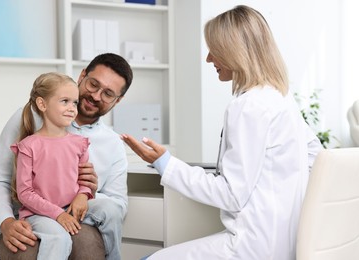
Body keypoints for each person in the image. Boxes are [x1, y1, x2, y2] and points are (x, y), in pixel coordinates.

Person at [121, 5, 322, 260]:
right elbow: (316, 157)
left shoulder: (248, 106)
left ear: (234, 51)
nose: (208, 59)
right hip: (286, 245)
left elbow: (231, 194)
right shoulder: (280, 97)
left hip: (249, 247)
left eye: (213, 50)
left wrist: (164, 162)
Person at [0, 53, 133, 260]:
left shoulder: (112, 143)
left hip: (81, 218)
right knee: (26, 249)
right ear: (82, 76)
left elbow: (117, 206)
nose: (96, 96)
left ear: (118, 100)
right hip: (30, 216)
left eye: (108, 93)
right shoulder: (28, 119)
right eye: (93, 84)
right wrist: (6, 221)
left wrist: (89, 191)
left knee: (87, 245)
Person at [10, 72, 95, 260]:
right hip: (37, 214)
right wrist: (58, 214)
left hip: (70, 207)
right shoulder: (28, 146)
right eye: (65, 101)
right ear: (42, 104)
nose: (72, 108)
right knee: (59, 237)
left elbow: (85, 180)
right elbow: (25, 193)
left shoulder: (80, 143)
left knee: (110, 213)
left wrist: (83, 193)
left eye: (75, 102)